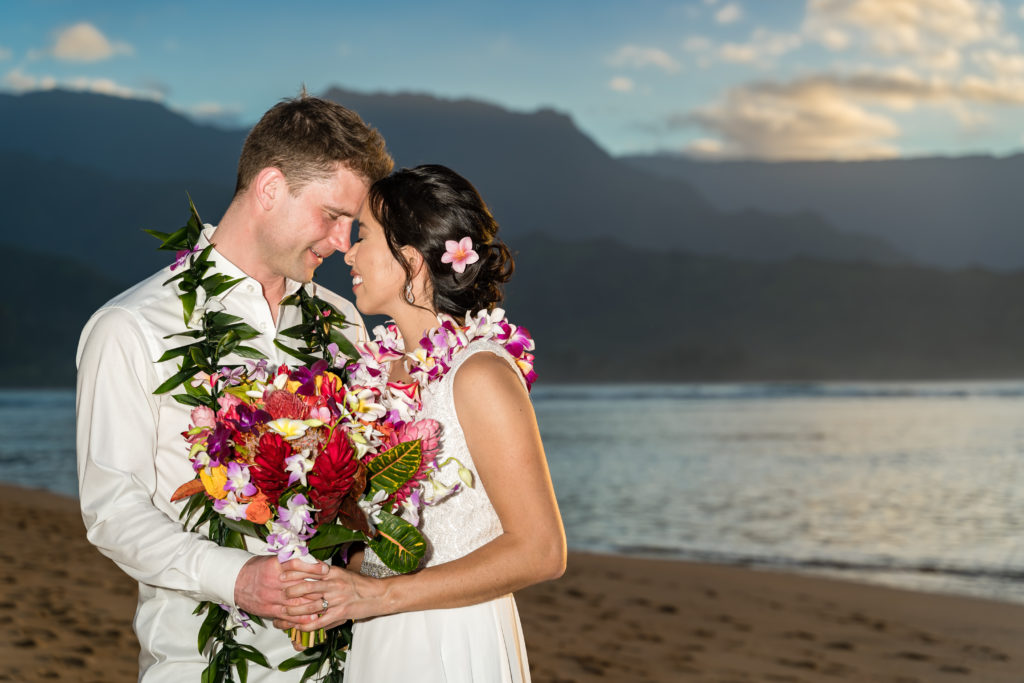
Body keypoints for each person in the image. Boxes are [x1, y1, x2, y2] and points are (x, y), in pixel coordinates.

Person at [75, 93, 393, 681]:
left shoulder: (342, 323)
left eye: (355, 225)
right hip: (202, 661)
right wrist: (238, 577)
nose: (343, 242)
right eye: (332, 215)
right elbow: (112, 511)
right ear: (270, 189)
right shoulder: (133, 327)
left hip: (343, 660)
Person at [274, 164, 566, 681]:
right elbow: (391, 533)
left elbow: (541, 551)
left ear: (410, 261)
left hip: (455, 637)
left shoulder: (478, 374)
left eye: (363, 235)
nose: (349, 251)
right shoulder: (378, 377)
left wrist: (380, 594)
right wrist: (332, 584)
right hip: (382, 636)